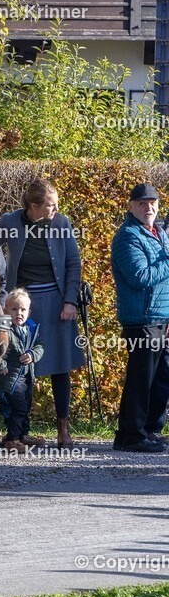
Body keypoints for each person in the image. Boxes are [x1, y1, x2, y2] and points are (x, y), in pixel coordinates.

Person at [0, 179, 84, 449]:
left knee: (60, 367)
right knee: (18, 366)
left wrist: (70, 301)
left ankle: (63, 429)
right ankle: (17, 431)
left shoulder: (62, 224)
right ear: (33, 206)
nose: (55, 210)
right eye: (50, 205)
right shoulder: (9, 221)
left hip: (56, 303)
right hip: (20, 304)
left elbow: (73, 264)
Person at [110, 183, 169, 453]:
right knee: (141, 379)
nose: (149, 207)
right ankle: (131, 435)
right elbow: (140, 277)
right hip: (141, 319)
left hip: (162, 317)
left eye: (152, 202)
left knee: (162, 377)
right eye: (142, 203)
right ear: (131, 206)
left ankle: (150, 430)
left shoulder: (159, 233)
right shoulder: (127, 237)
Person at [0, 289, 45, 453]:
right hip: (10, 377)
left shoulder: (30, 328)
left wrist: (32, 355)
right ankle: (12, 439)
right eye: (14, 309)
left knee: (26, 406)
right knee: (18, 408)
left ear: (28, 312)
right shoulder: (4, 330)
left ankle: (22, 435)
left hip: (27, 376)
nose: (19, 313)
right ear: (5, 311)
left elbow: (40, 346)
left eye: (23, 310)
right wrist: (1, 365)